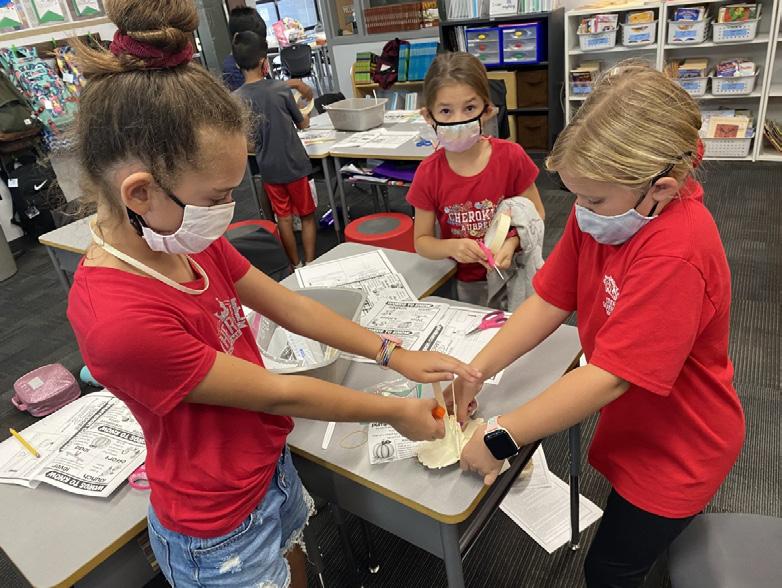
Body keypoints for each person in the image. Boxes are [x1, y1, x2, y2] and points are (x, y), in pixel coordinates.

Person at [67, 2, 481, 587]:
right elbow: (274, 392)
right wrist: (396, 411)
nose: (226, 211)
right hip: (217, 525)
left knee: (297, 562)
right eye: (216, 197)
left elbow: (289, 304)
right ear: (139, 193)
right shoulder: (120, 319)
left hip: (267, 469)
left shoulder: (181, 239)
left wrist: (392, 352)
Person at [453, 62, 745, 587]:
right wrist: (477, 370)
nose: (581, 211)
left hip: (681, 448)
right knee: (634, 543)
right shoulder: (609, 213)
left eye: (593, 200)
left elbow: (610, 376)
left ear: (660, 188)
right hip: (640, 429)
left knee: (609, 570)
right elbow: (550, 299)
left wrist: (501, 437)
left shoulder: (677, 253)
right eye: (575, 196)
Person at [406, 51, 545, 305]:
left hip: (513, 275)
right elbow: (422, 242)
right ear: (428, 116)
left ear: (487, 110)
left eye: (469, 108)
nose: (458, 120)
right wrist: (452, 247)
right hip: (464, 284)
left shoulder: (511, 157)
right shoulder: (428, 173)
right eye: (445, 111)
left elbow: (537, 214)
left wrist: (512, 243)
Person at [233, 31, 316, 267]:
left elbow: (246, 137)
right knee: (307, 215)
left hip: (268, 167)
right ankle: (311, 264)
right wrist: (305, 114)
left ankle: (295, 265)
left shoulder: (236, 98)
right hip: (295, 164)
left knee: (284, 218)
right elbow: (301, 123)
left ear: (238, 65)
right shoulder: (279, 88)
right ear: (264, 62)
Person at [222, 6, 313, 103]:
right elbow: (255, 97)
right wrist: (294, 83)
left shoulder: (253, 57)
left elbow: (266, 85)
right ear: (238, 38)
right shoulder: (232, 70)